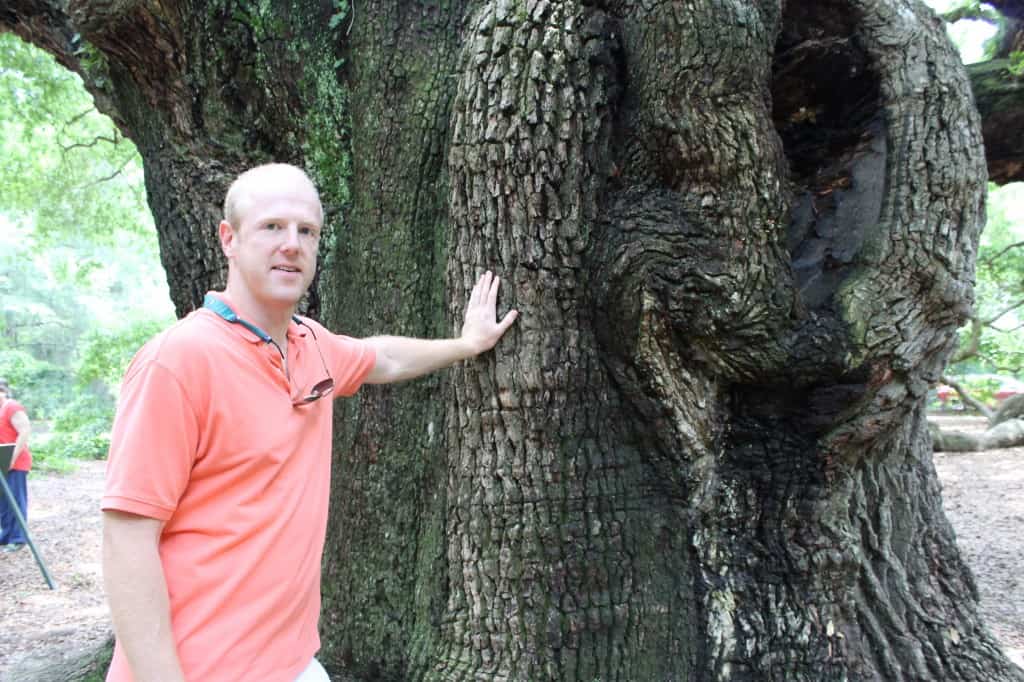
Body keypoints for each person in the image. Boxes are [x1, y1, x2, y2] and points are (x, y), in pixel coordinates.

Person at [101, 163, 518, 682]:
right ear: (229, 239)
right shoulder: (179, 360)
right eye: (272, 227)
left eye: (307, 231)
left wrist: (466, 345)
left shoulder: (309, 345)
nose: (292, 244)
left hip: (293, 664)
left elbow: (379, 358)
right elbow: (126, 539)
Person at [0, 379, 32, 553]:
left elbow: (25, 430)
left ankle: (18, 538)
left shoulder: (11, 407)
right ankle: (6, 535)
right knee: (3, 501)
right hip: (2, 462)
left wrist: (12, 457)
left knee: (15, 500)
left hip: (16, 462)